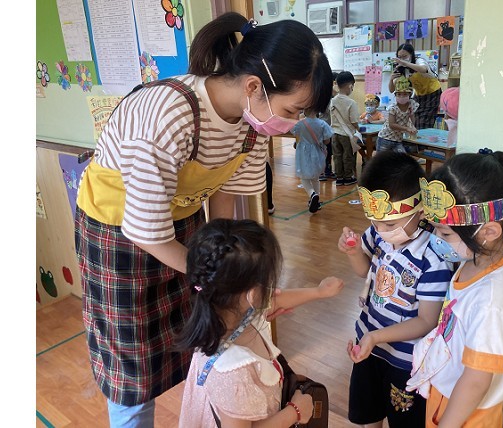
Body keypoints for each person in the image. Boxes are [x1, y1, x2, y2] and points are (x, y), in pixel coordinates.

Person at [73, 12, 333, 426]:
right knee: (132, 366)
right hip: (119, 234)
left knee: (200, 335)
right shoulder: (168, 113)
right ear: (254, 87)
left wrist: (224, 261)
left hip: (183, 224)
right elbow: (146, 231)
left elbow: (223, 194)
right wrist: (221, 277)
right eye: (293, 109)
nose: (294, 123)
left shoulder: (252, 126)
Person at [407, 149, 503, 427]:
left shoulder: (492, 302)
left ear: (489, 232)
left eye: (445, 233)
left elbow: (476, 382)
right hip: (450, 398)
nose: (436, 238)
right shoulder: (473, 262)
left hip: (468, 414)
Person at [174, 218, 344, 427]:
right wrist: (295, 412)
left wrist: (319, 292)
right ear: (252, 295)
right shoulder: (233, 373)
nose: (274, 289)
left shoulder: (227, 312)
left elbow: (275, 301)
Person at [337, 151, 455, 428]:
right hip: (368, 344)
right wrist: (353, 252)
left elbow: (426, 321)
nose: (380, 229)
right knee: (369, 413)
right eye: (375, 221)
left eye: (389, 224)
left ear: (420, 211)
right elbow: (364, 271)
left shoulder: (433, 257)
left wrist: (376, 337)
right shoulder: (378, 232)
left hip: (405, 361)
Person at [388, 43, 442, 129]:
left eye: (405, 56)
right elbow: (391, 90)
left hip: (433, 93)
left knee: (424, 123)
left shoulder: (419, 61)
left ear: (411, 54)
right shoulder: (402, 69)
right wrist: (391, 79)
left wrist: (405, 63)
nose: (402, 59)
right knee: (414, 121)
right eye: (399, 57)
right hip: (419, 95)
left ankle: (423, 136)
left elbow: (423, 69)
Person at [291, 108, 333, 213]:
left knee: (303, 176)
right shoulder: (322, 124)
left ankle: (312, 194)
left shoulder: (300, 124)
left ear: (305, 111)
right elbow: (327, 141)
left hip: (303, 152)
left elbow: (294, 133)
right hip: (318, 152)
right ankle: (316, 201)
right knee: (315, 177)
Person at [330, 71, 360, 186]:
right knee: (348, 156)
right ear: (350, 86)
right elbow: (354, 121)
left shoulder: (333, 100)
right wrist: (358, 129)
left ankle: (339, 177)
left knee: (337, 155)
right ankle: (348, 177)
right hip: (347, 135)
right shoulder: (351, 103)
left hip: (334, 133)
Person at [376, 76, 419, 153]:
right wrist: (407, 129)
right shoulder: (393, 108)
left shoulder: (411, 104)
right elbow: (392, 125)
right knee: (381, 159)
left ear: (409, 95)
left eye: (405, 94)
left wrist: (412, 127)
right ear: (395, 95)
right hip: (385, 138)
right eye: (399, 94)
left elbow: (412, 117)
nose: (402, 96)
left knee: (402, 158)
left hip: (398, 140)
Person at [318, 71, 339, 181]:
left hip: (330, 128)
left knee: (329, 151)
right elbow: (327, 111)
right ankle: (321, 172)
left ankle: (328, 171)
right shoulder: (325, 95)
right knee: (322, 151)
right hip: (323, 127)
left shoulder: (334, 96)